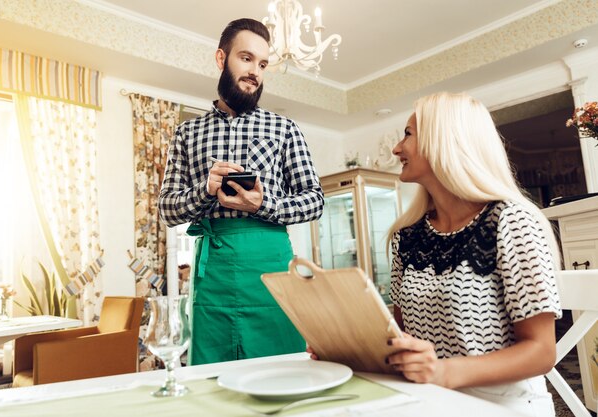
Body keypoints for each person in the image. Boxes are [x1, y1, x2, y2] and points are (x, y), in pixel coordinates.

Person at [309, 92, 561, 416]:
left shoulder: (513, 221)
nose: (396, 148)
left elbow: (541, 351)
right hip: (429, 399)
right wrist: (344, 346)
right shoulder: (407, 235)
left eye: (408, 134)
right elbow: (399, 335)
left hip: (501, 405)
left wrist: (442, 372)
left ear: (444, 140)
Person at [159, 18, 324, 366]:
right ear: (221, 59)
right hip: (213, 272)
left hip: (272, 268)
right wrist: (205, 190)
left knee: (283, 369)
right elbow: (167, 209)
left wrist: (264, 204)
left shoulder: (284, 128)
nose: (255, 72)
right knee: (212, 378)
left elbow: (315, 199)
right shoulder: (187, 133)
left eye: (262, 64)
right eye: (246, 59)